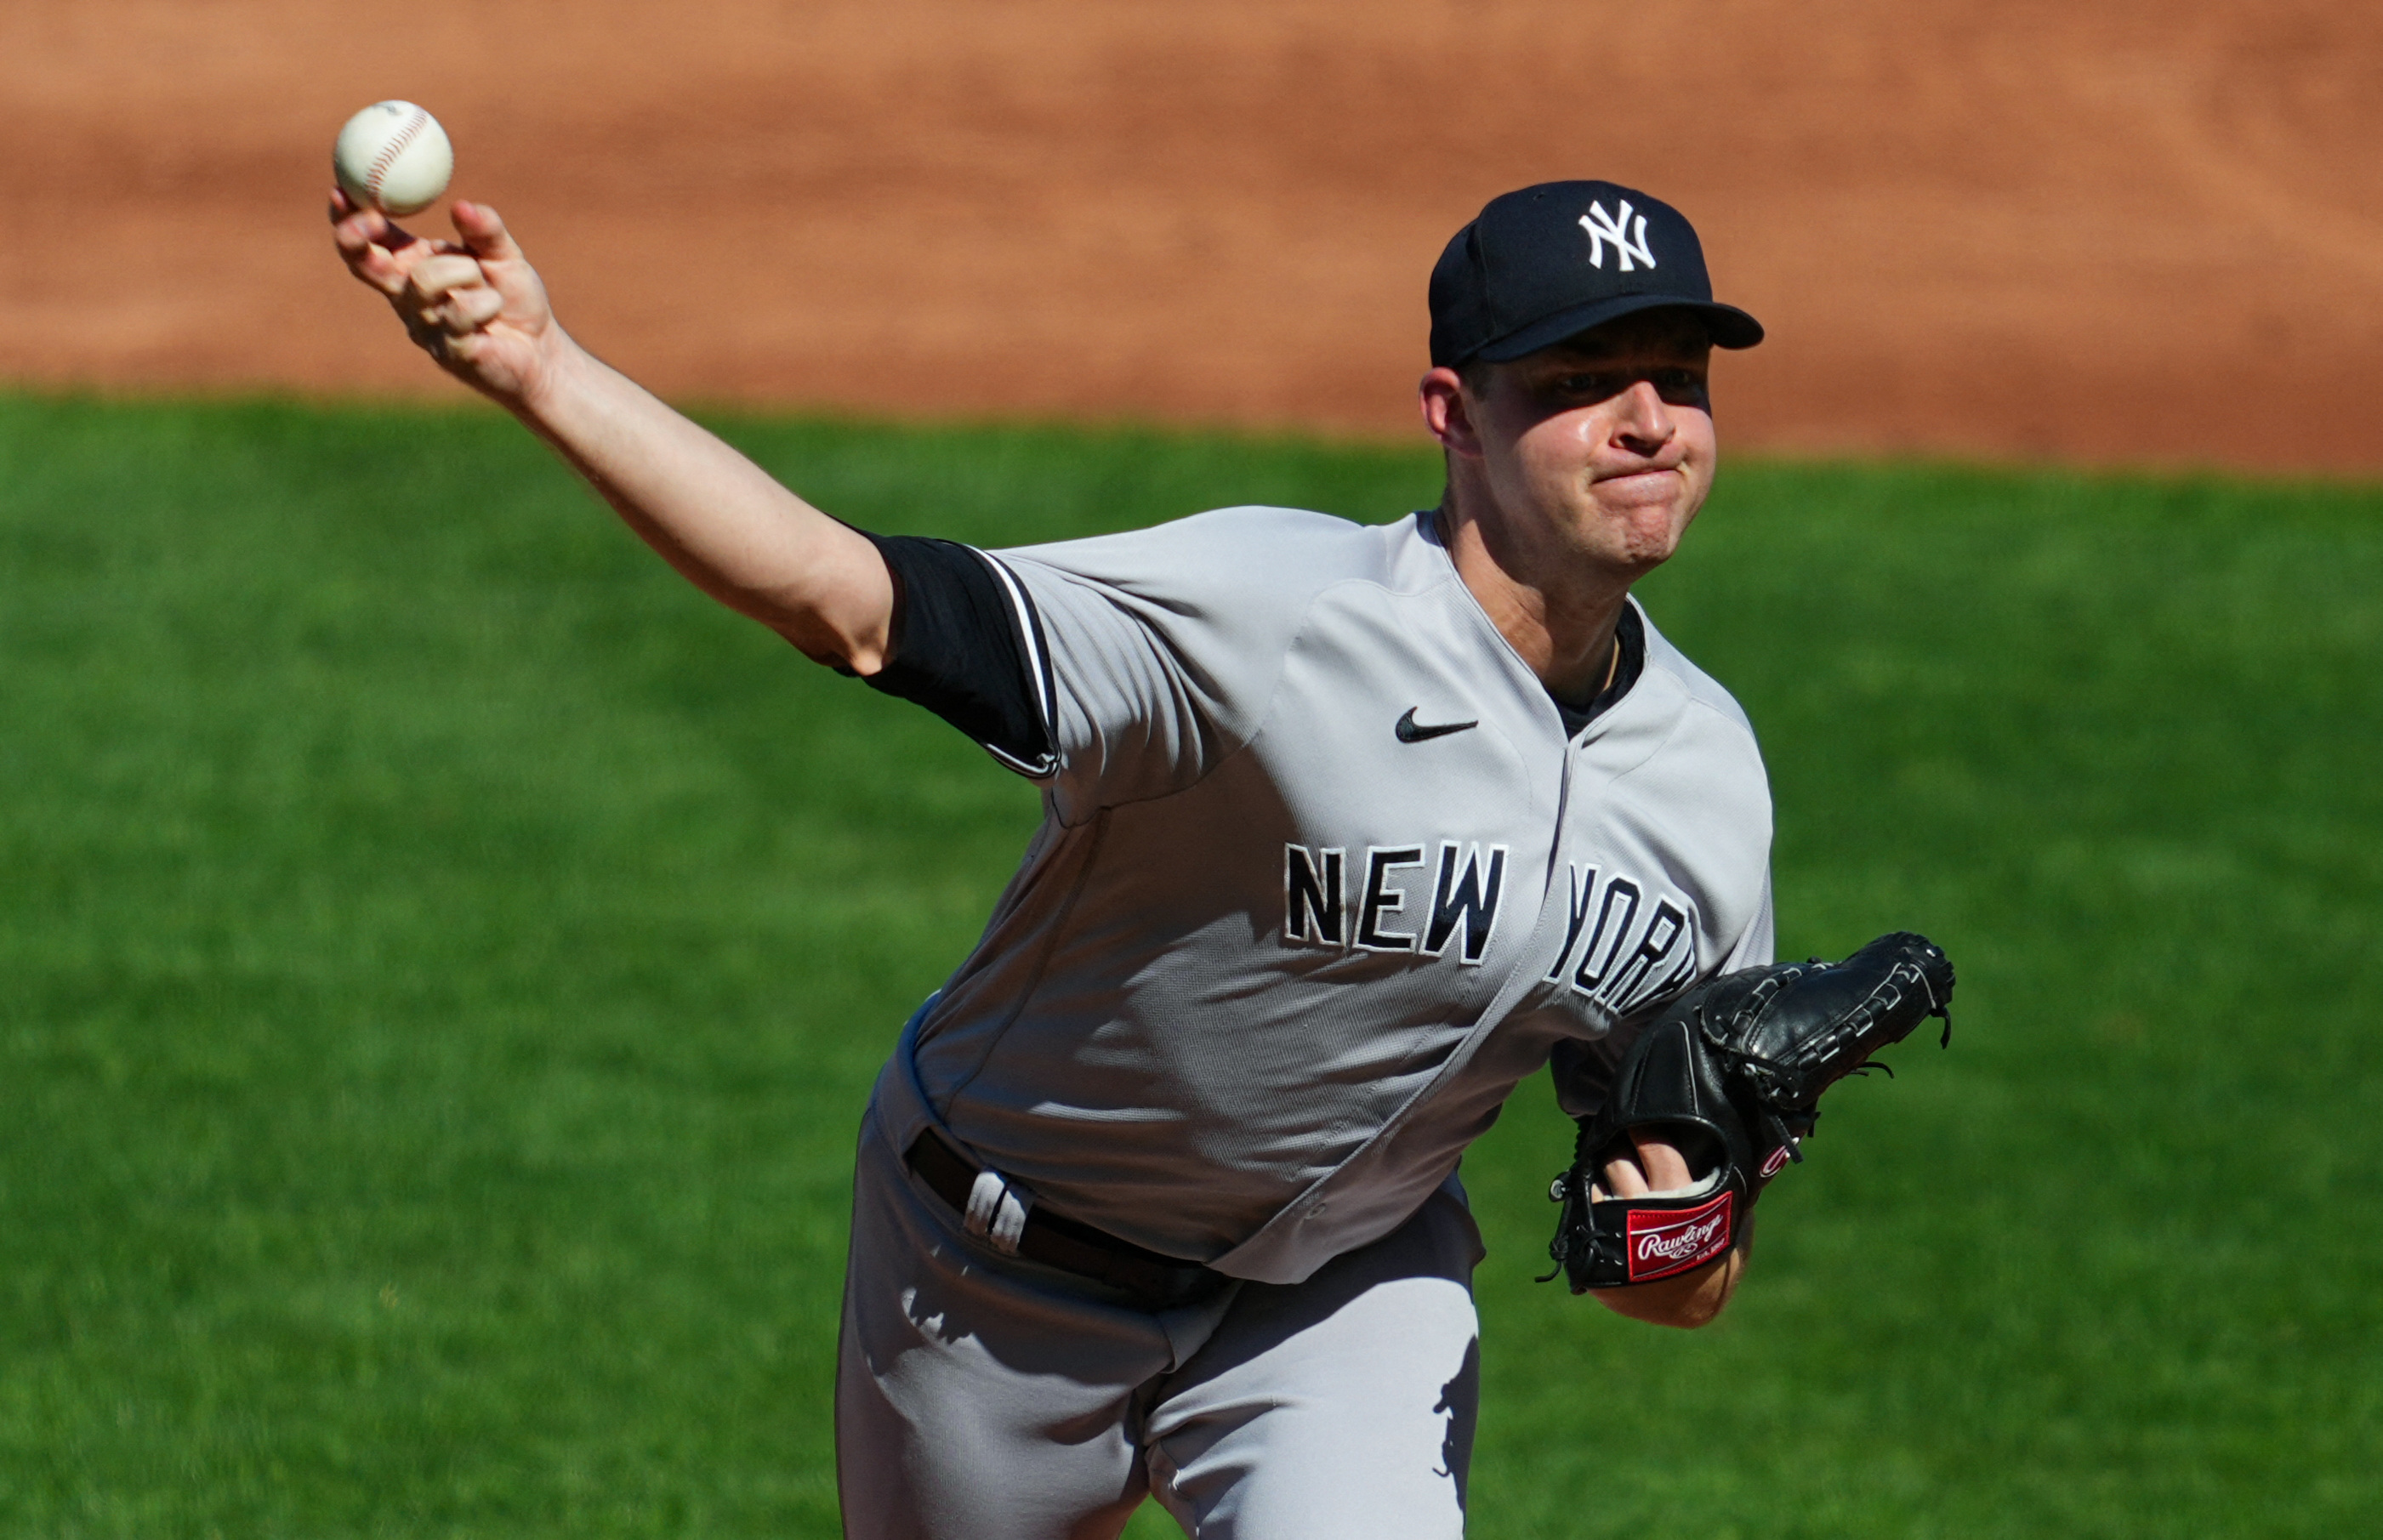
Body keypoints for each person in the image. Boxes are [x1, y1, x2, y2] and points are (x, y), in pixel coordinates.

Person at [332, 176, 1774, 1538]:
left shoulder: (1705, 783)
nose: (1647, 421)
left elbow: (1676, 1280)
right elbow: (857, 606)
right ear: (1454, 416)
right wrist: (541, 367)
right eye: (1579, 382)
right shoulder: (1273, 619)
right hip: (988, 1279)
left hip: (1338, 1299)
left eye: (1680, 379)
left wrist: (1672, 1232)